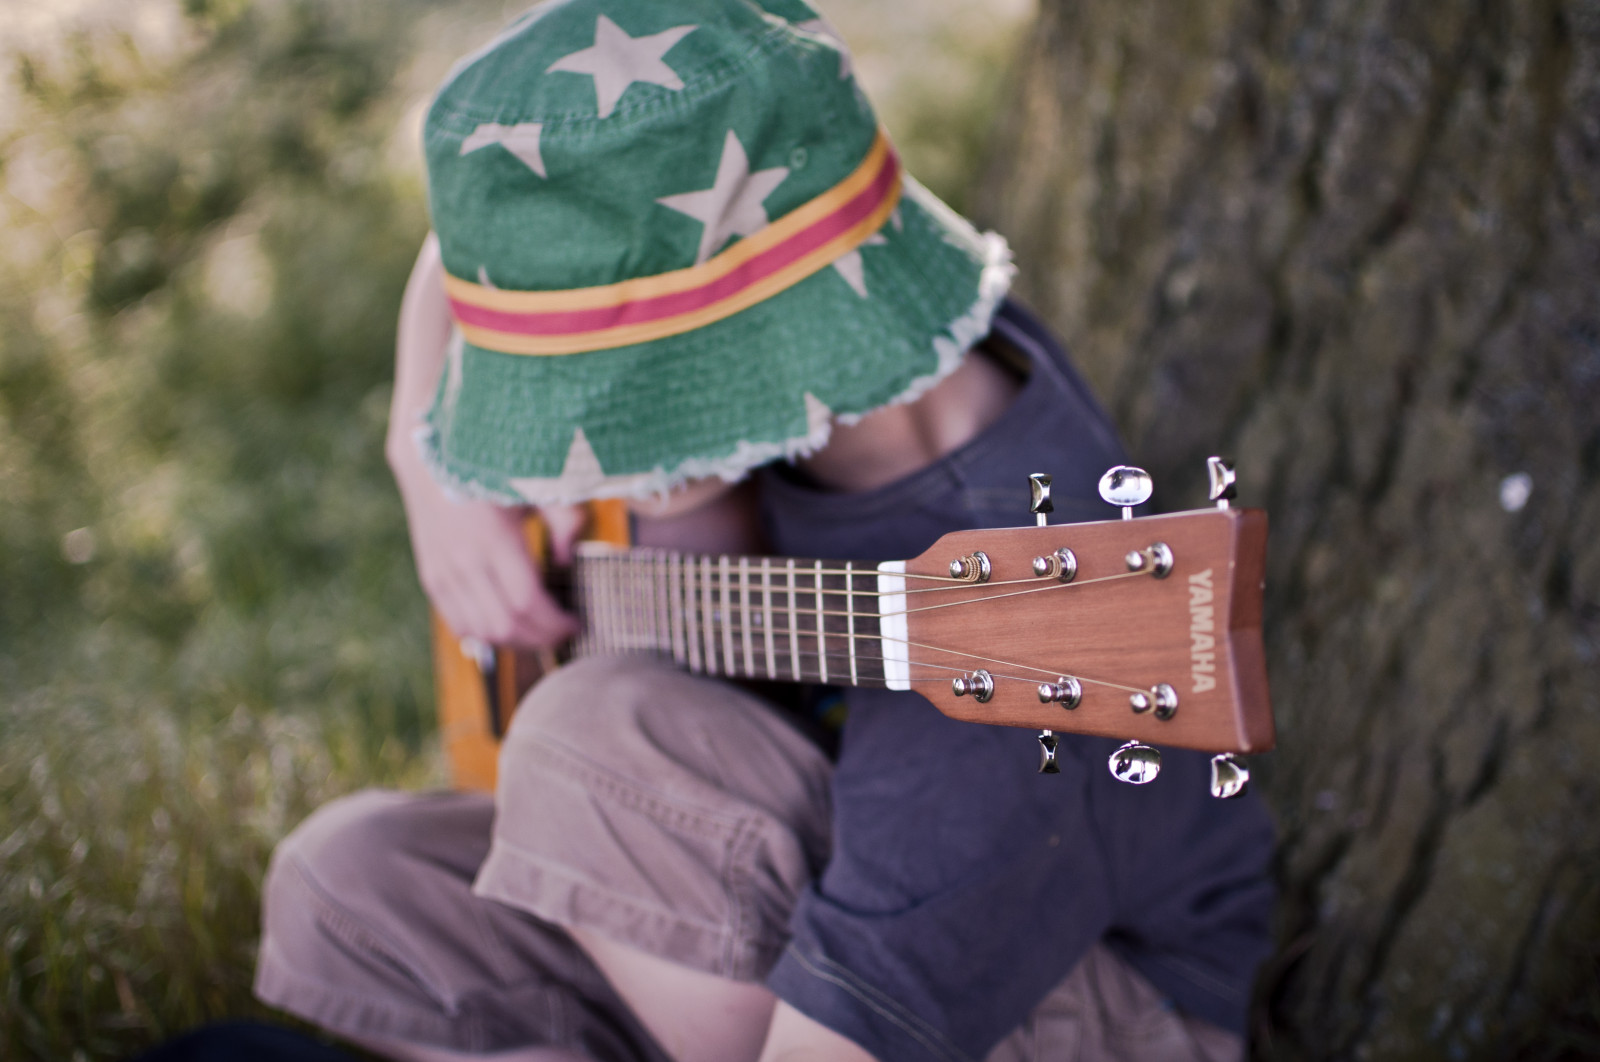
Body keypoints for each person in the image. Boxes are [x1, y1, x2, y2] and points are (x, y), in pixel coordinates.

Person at [254, 1, 1277, 1059]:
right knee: (345, 883)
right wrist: (425, 463)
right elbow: (476, 240)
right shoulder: (849, 311)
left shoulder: (1018, 651)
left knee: (583, 743)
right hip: (787, 891)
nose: (560, 473)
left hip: (1061, 1008)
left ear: (743, 344)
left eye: (602, 415)